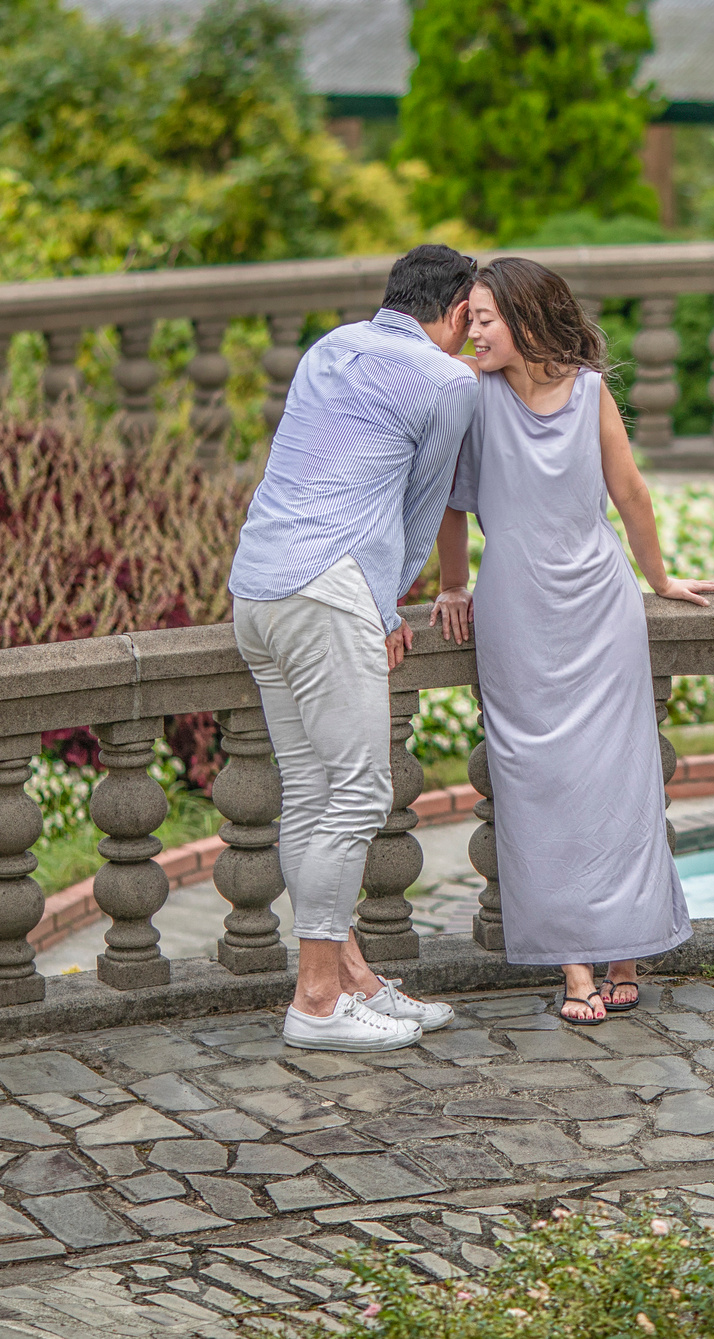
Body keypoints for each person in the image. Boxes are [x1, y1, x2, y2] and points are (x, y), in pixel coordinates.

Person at [433, 258, 714, 1025]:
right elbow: (450, 504)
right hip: (515, 613)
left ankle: (626, 950)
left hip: (601, 606)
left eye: (487, 317)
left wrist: (659, 579)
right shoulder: (471, 396)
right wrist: (453, 585)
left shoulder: (592, 392)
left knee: (620, 778)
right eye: (470, 317)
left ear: (529, 319)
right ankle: (573, 969)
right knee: (536, 783)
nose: (474, 330)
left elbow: (629, 490)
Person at [227, 244, 481, 1052]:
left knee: (310, 793)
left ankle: (352, 978)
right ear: (447, 316)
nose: (473, 335)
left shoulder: (330, 345)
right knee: (361, 793)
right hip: (325, 594)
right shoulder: (450, 382)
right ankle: (315, 1001)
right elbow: (423, 506)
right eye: (470, 319)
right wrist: (385, 603)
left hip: (257, 588)